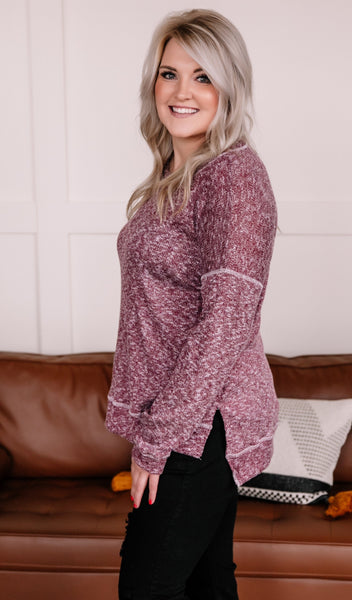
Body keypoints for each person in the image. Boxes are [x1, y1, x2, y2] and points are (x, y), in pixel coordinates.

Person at [105, 8, 278, 600]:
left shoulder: (233, 177)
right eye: (169, 73)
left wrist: (160, 437)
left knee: (147, 587)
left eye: (203, 76)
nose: (182, 92)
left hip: (203, 420)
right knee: (207, 583)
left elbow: (227, 318)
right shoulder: (176, 175)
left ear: (230, 87)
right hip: (183, 414)